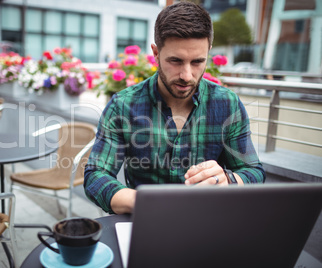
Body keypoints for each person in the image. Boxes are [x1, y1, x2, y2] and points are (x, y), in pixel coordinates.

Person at [84, 2, 265, 215]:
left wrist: (229, 180)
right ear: (155, 53)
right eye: (176, 61)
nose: (187, 75)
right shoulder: (123, 106)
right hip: (145, 220)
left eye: (197, 62)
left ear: (208, 52)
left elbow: (254, 172)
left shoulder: (227, 104)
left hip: (209, 221)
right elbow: (96, 175)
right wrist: (145, 202)